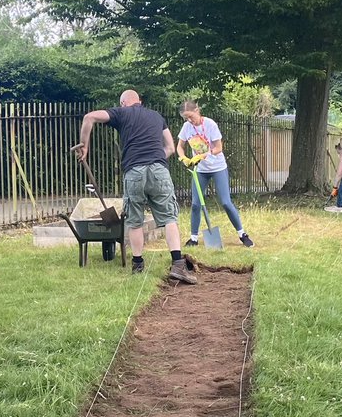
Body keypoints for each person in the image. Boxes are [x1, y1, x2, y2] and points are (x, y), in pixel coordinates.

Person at [75, 90, 197, 284]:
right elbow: (171, 148)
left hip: (135, 171)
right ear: (139, 101)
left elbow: (89, 117)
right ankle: (178, 265)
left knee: (134, 219)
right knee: (169, 217)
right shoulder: (156, 116)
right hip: (159, 170)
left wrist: (84, 145)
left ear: (123, 103)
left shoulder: (122, 113)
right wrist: (155, 160)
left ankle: (138, 264)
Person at [176, 100, 254, 248]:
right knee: (195, 204)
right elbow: (180, 146)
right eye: (186, 118)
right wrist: (183, 158)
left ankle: (242, 234)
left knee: (225, 202)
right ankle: (193, 238)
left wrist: (206, 154)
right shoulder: (187, 127)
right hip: (200, 170)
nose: (189, 120)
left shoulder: (210, 124)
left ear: (197, 111)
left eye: (191, 116)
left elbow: (219, 147)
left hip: (218, 167)